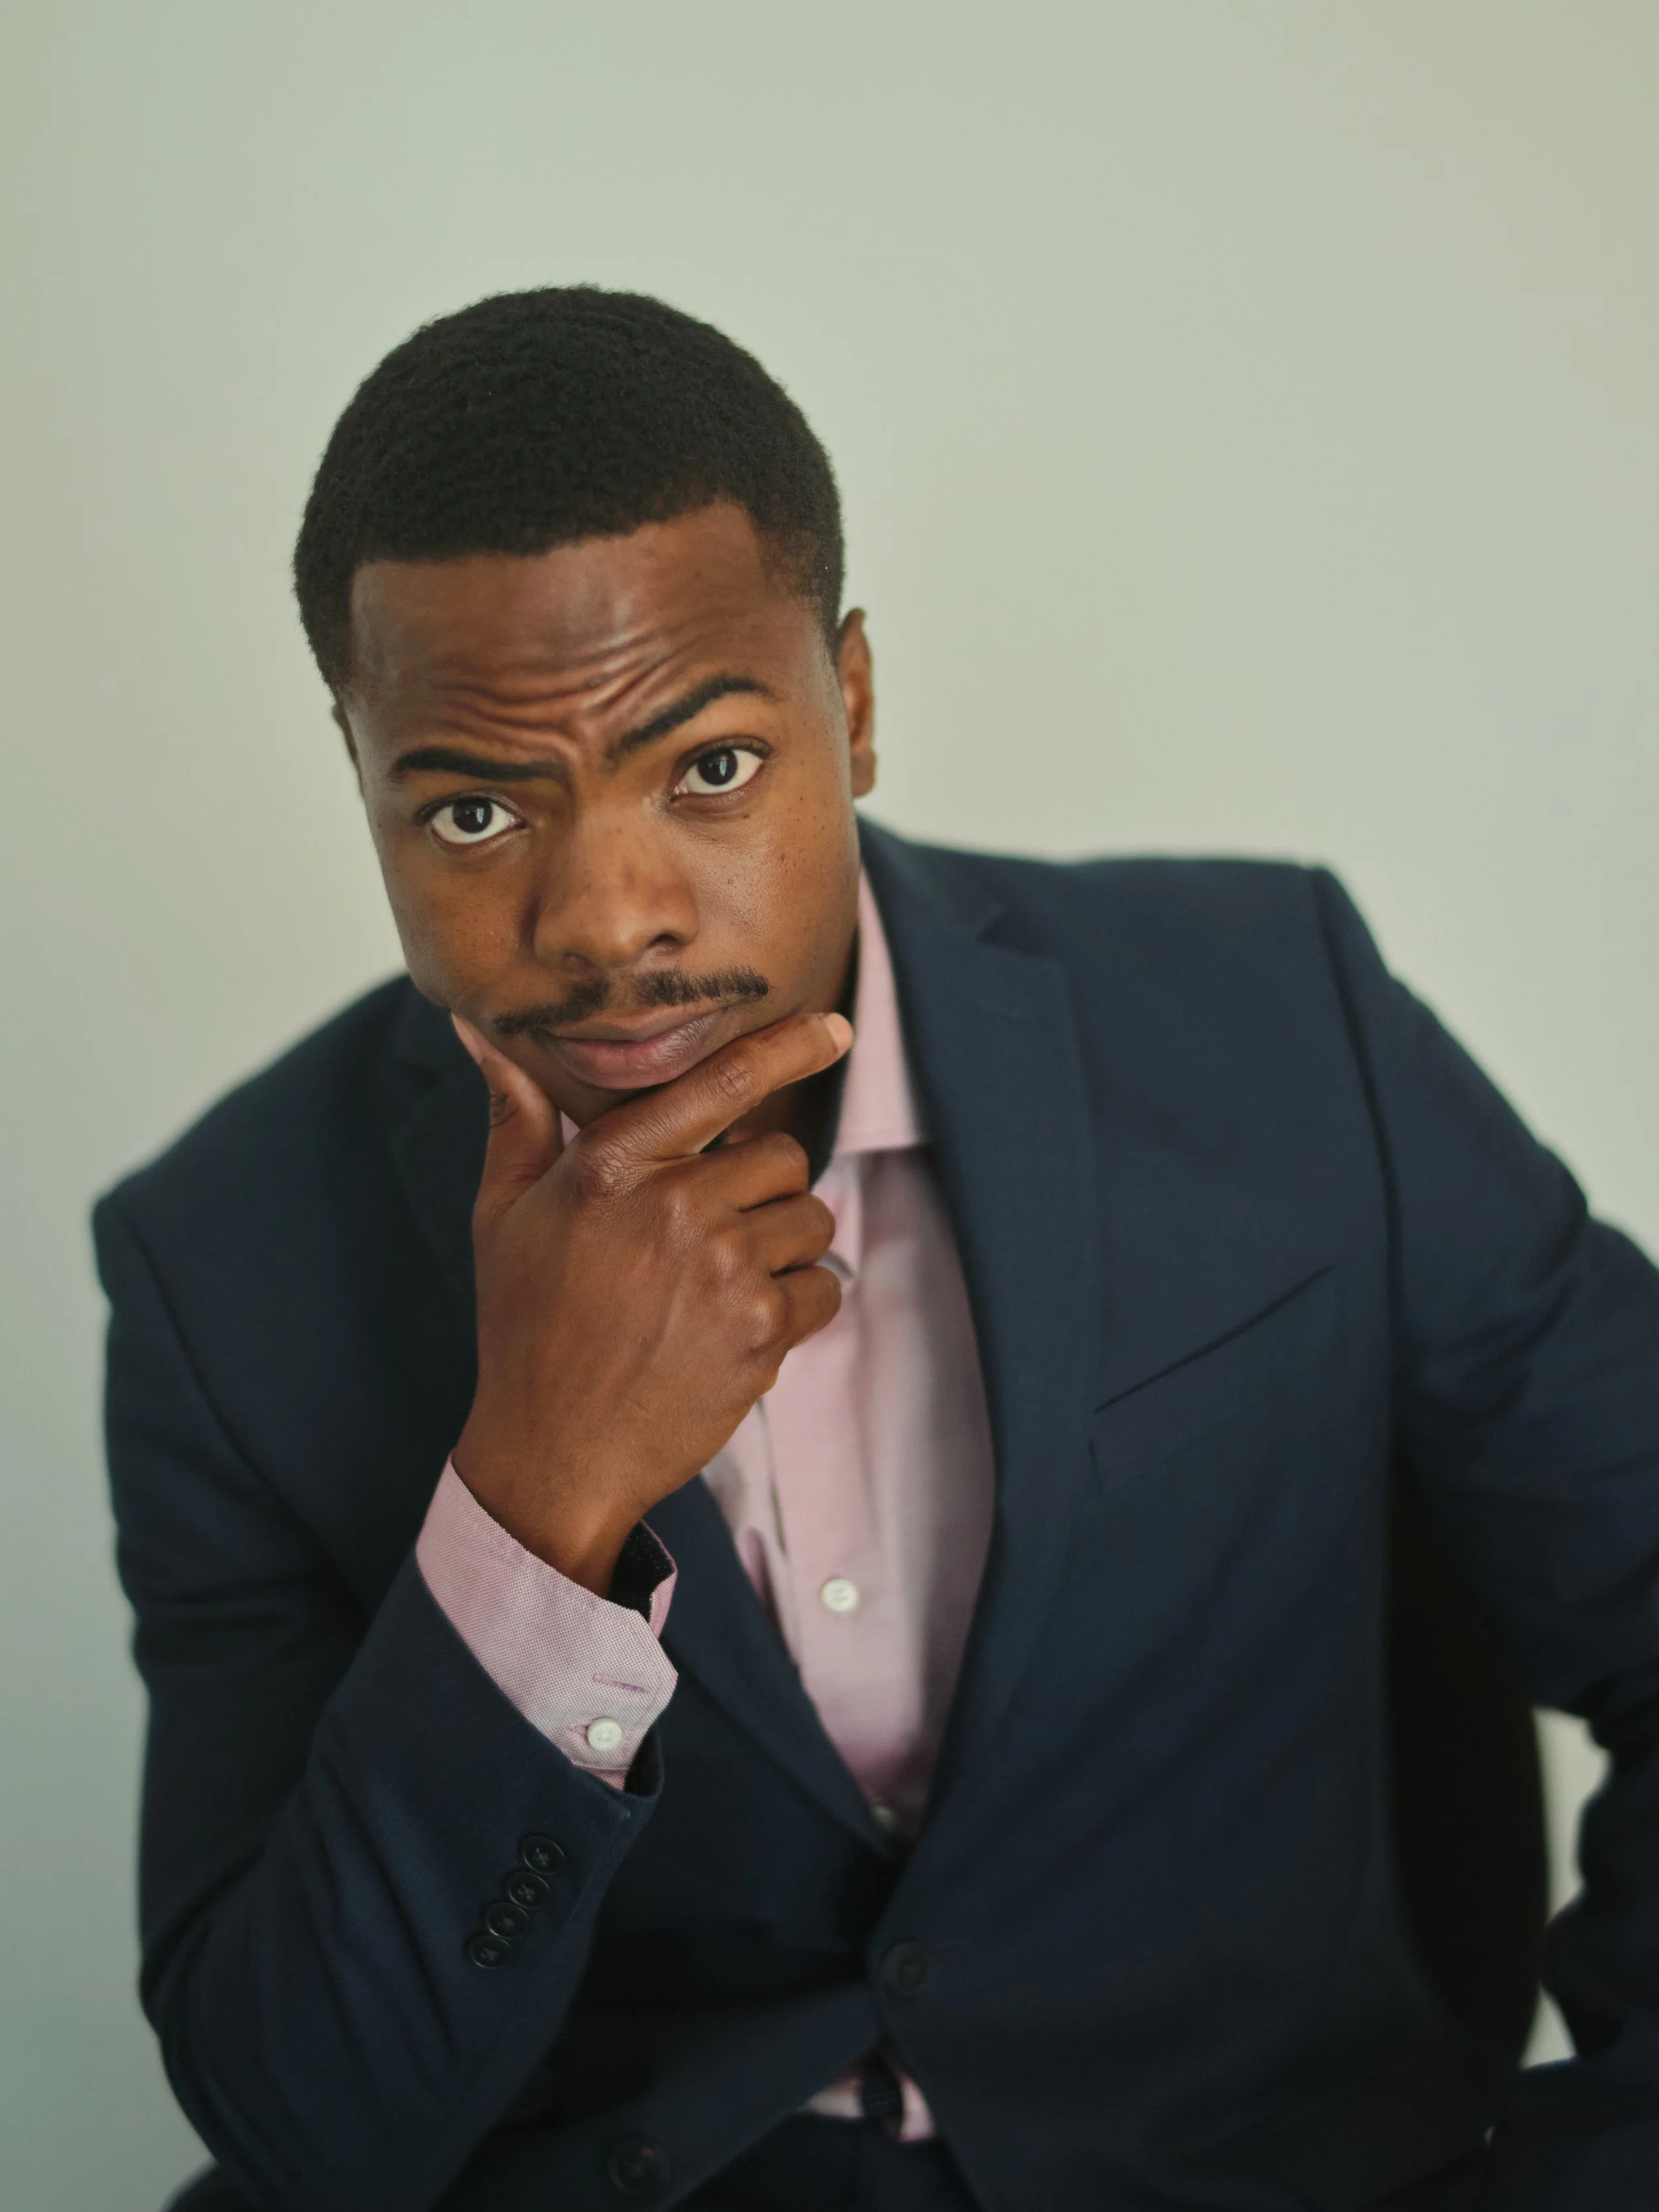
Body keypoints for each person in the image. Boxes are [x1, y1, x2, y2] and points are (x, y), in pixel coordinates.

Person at [96, 287, 1659, 2212]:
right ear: (360, 769)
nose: (607, 919)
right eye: (476, 808)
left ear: (850, 703)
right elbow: (308, 2131)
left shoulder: (1280, 1026)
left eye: (708, 767)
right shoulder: (222, 1266)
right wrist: (533, 1506)